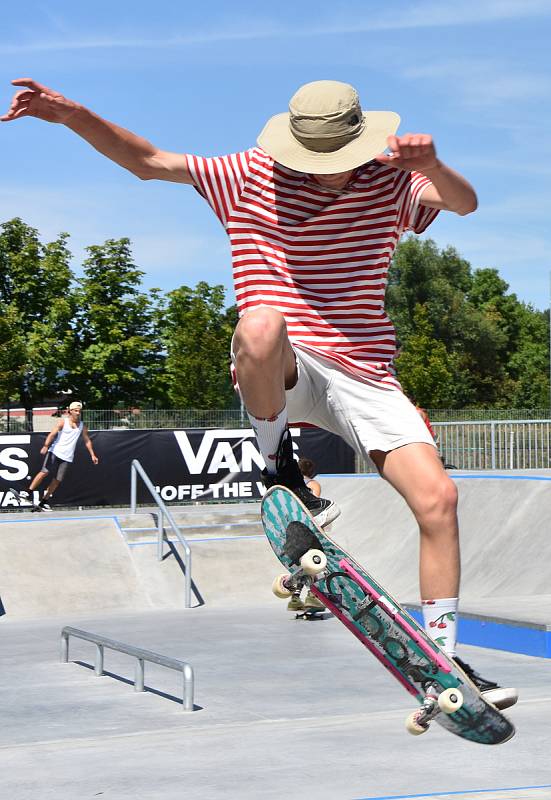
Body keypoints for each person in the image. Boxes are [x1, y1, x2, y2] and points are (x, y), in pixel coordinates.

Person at [1, 78, 516, 707]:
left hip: (364, 371)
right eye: (317, 161)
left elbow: (464, 204)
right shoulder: (248, 173)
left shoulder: (391, 178)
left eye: (341, 159)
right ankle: (279, 466)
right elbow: (148, 162)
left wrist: (431, 164)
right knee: (261, 322)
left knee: (439, 499)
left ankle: (443, 659)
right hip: (282, 365)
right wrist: (73, 115)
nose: (331, 173)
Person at [27, 401, 99, 510]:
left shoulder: (82, 426)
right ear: (70, 411)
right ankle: (28, 493)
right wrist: (46, 446)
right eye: (75, 411)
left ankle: (44, 501)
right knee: (44, 472)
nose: (78, 413)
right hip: (55, 452)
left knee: (57, 480)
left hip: (67, 457)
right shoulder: (62, 422)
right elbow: (52, 434)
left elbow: (87, 441)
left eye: (79, 411)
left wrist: (92, 455)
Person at [287, 457, 326, 613]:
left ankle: (295, 599)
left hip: (291, 528)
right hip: (307, 529)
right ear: (311, 471)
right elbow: (312, 507)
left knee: (301, 563)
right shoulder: (313, 484)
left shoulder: (289, 485)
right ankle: (312, 596)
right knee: (316, 560)